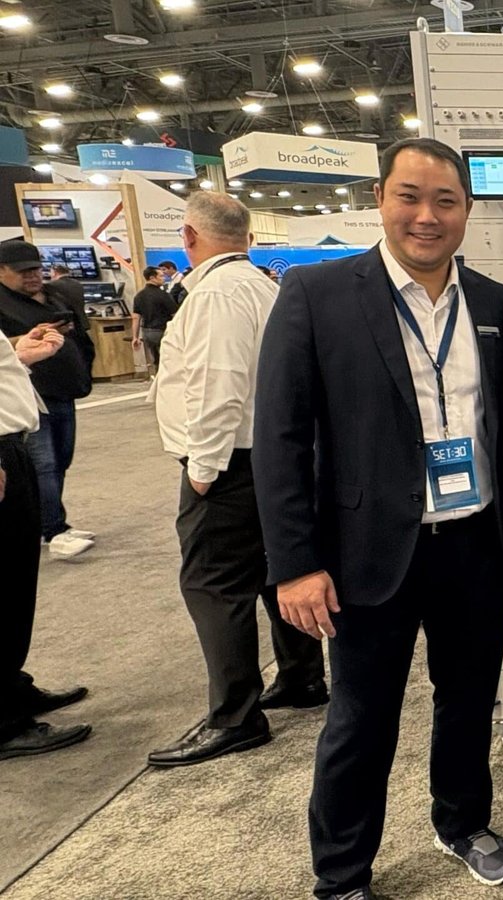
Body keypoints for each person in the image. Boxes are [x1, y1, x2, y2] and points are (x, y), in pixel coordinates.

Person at [254, 138, 503, 898]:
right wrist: (294, 564)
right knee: (361, 717)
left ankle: (463, 823)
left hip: (475, 542)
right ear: (380, 199)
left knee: (467, 700)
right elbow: (279, 437)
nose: (427, 216)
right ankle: (342, 874)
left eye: (445, 201)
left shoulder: (494, 303)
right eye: (410, 196)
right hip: (366, 550)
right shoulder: (316, 294)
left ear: (467, 210)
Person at [146, 193, 327, 769]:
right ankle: (300, 676)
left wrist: (202, 471)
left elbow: (217, 388)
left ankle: (235, 716)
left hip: (227, 463)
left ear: (189, 237)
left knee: (215, 586)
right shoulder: (263, 287)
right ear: (247, 236)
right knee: (276, 571)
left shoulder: (216, 294)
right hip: (265, 458)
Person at [0, 324, 91, 761]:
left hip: (11, 447)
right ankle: (4, 722)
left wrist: (16, 353)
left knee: (16, 584)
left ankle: (11, 689)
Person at [0, 240, 95, 559]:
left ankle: (53, 521)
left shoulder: (55, 295)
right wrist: (27, 339)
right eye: (23, 271)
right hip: (29, 398)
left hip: (64, 390)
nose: (32, 276)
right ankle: (53, 530)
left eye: (36, 269)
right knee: (44, 464)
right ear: (1, 271)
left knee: (61, 459)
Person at [132, 266, 178, 371]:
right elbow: (175, 314)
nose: (164, 278)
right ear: (152, 278)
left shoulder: (139, 296)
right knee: (168, 361)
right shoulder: (163, 295)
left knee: (156, 359)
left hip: (147, 332)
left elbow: (135, 317)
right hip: (162, 330)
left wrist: (135, 337)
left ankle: (157, 376)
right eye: (161, 276)